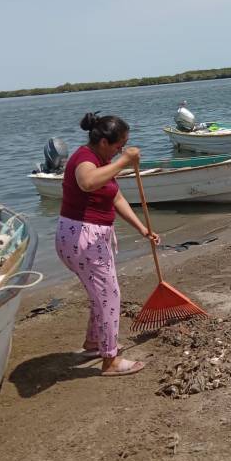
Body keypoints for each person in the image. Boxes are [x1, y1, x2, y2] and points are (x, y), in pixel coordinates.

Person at [56, 112, 159, 376]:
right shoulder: (85, 160)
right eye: (118, 145)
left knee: (99, 293)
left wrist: (142, 228)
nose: (121, 150)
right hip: (83, 238)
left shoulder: (102, 161)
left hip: (86, 237)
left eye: (124, 146)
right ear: (103, 142)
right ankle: (109, 361)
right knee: (109, 296)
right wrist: (125, 161)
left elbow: (115, 197)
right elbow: (87, 182)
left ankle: (94, 343)